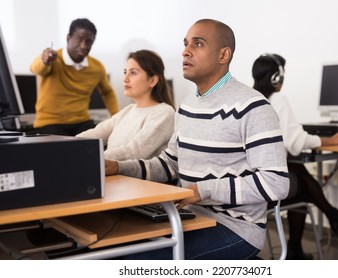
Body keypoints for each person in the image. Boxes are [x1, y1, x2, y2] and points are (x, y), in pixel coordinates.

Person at [105, 19, 290, 260]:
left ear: (224, 55)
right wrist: (118, 167)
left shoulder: (253, 107)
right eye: (185, 44)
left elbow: (276, 183)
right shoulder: (188, 105)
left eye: (198, 44)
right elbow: (170, 164)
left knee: (129, 261)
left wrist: (202, 190)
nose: (185, 51)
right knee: (108, 249)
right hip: (191, 217)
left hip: (235, 228)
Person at [252, 53, 338, 259]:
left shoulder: (251, 99)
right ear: (277, 78)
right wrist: (331, 140)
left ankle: (301, 246)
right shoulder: (277, 99)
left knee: (297, 171)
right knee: (303, 188)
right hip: (267, 190)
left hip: (252, 182)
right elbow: (294, 142)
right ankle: (327, 221)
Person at [77, 50, 175, 161]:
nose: (125, 79)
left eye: (133, 73)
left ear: (153, 80)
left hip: (135, 178)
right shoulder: (128, 110)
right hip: (114, 176)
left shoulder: (164, 113)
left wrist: (89, 158)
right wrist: (65, 144)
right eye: (125, 72)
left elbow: (134, 152)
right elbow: (96, 133)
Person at [29, 18, 119, 136]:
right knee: (66, 151)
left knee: (100, 145)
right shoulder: (53, 59)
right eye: (79, 39)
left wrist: (118, 120)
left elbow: (107, 92)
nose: (83, 46)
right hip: (50, 123)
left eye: (89, 41)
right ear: (68, 37)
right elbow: (35, 68)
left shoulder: (97, 67)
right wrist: (45, 60)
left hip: (82, 122)